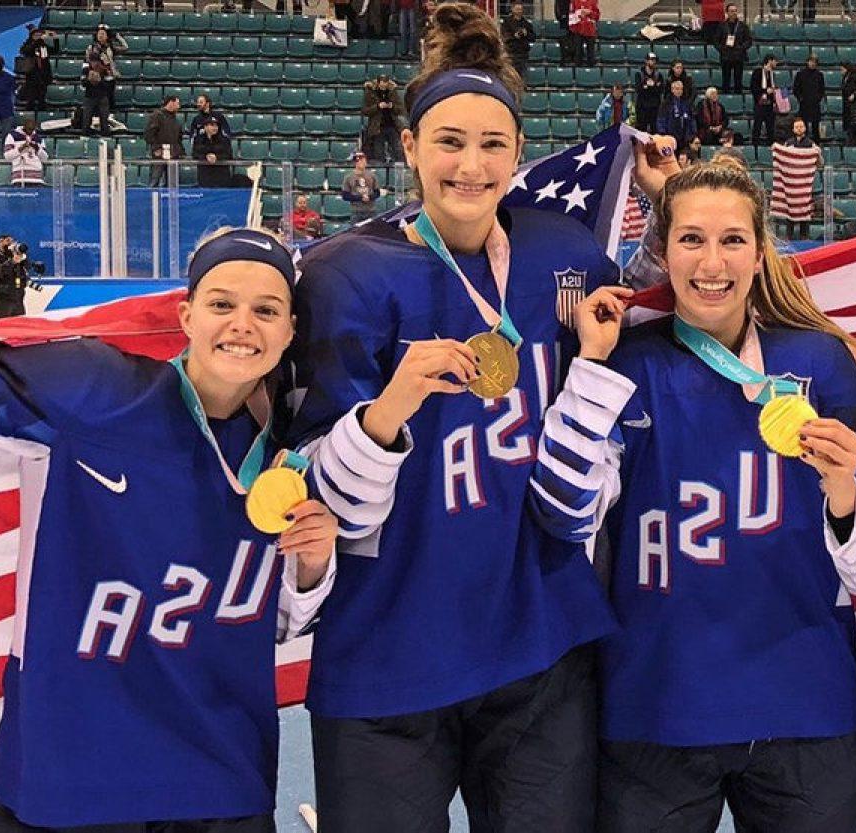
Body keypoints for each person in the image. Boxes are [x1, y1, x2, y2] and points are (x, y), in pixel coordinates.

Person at [0, 228, 408, 831]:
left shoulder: (289, 453)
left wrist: (312, 564)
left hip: (220, 779)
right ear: (187, 316)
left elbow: (273, 625)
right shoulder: (92, 394)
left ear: (291, 329)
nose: (243, 325)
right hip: (71, 777)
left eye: (267, 311)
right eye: (222, 303)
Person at [283, 5, 678, 829]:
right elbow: (324, 493)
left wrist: (667, 209)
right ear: (411, 149)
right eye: (450, 142)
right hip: (389, 655)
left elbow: (638, 312)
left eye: (493, 144)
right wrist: (390, 410)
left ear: (517, 154)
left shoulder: (557, 250)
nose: (471, 164)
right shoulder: (342, 274)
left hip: (539, 644)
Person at [535, 153, 856, 833]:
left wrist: (845, 491)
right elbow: (564, 510)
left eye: (733, 239)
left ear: (760, 254)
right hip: (657, 706)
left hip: (804, 704)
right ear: (663, 251)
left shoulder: (818, 363)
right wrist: (587, 365)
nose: (712, 261)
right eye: (692, 239)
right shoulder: (627, 363)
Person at [362, 75, 404, 164]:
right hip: (377, 128)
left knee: (398, 151)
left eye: (385, 82)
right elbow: (365, 110)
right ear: (378, 82)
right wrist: (378, 106)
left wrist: (392, 106)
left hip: (392, 126)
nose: (384, 84)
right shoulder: (371, 93)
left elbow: (401, 109)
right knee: (379, 153)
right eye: (382, 82)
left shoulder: (392, 92)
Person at [144, 96, 184, 187]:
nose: (179, 106)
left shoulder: (176, 120)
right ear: (171, 102)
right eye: (177, 103)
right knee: (155, 179)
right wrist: (156, 148)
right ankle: (152, 198)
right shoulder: (157, 116)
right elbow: (149, 134)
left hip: (173, 154)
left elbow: (179, 138)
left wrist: (180, 150)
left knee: (172, 182)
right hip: (159, 154)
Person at [17, 26, 57, 109]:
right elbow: (26, 51)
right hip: (32, 76)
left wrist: (55, 39)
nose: (38, 36)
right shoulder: (28, 45)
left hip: (43, 75)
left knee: (41, 99)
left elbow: (54, 51)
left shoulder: (43, 46)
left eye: (39, 34)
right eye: (36, 35)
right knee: (31, 99)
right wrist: (36, 42)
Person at [717, 4, 752, 95]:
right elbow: (716, 41)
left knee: (738, 80)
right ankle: (726, 98)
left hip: (739, 56)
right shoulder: (722, 25)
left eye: (735, 10)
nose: (734, 13)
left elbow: (749, 41)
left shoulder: (743, 26)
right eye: (731, 11)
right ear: (727, 13)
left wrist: (741, 48)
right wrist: (722, 49)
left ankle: (738, 98)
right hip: (726, 56)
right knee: (726, 80)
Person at [793, 54, 827, 143]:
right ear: (807, 62)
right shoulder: (800, 74)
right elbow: (796, 89)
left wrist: (818, 99)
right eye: (811, 61)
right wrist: (801, 99)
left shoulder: (819, 75)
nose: (812, 64)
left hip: (815, 105)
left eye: (815, 62)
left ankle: (816, 146)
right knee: (804, 127)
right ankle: (804, 144)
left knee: (816, 127)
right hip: (804, 104)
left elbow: (822, 90)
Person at [656, 78, 697, 152]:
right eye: (677, 89)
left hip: (684, 138)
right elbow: (661, 120)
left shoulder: (686, 103)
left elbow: (691, 119)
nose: (679, 91)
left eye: (681, 89)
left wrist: (693, 134)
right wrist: (663, 134)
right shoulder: (666, 104)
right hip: (670, 138)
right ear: (672, 90)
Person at [5, 119, 49, 187]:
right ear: (24, 127)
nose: (30, 131)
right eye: (29, 129)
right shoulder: (12, 135)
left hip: (37, 179)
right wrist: (21, 148)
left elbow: (45, 158)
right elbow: (7, 157)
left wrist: (37, 148)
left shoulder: (38, 138)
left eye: (32, 129)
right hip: (19, 177)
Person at [193, 121, 236, 188]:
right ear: (205, 127)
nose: (215, 128)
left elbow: (229, 155)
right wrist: (206, 157)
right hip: (205, 176)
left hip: (221, 176)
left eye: (216, 126)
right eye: (212, 125)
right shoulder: (198, 139)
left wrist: (217, 157)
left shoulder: (225, 140)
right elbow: (195, 154)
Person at [341, 153, 382, 221]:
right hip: (356, 211)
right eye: (360, 161)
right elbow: (345, 196)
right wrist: (360, 198)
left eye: (364, 161)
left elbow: (377, 193)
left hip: (371, 210)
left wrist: (370, 197)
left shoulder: (372, 176)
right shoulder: (348, 177)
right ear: (356, 163)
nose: (363, 163)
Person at [751, 54, 780, 145]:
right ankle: (755, 146)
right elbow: (753, 88)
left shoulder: (772, 74)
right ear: (770, 61)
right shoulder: (757, 72)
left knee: (770, 128)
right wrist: (765, 91)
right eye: (775, 61)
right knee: (757, 127)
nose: (776, 63)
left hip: (770, 105)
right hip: (759, 104)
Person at [633, 53, 666, 133]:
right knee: (641, 130)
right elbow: (638, 89)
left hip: (655, 107)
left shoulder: (659, 75)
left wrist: (649, 86)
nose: (653, 62)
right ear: (646, 61)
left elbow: (661, 90)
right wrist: (654, 86)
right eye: (651, 60)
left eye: (654, 60)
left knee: (655, 130)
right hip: (642, 107)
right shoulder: (639, 74)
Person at [502, 4, 538, 76]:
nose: (519, 11)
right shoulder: (507, 22)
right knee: (511, 76)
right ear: (512, 9)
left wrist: (526, 34)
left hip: (523, 53)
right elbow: (504, 36)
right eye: (517, 9)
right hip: (511, 52)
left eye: (520, 9)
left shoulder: (526, 23)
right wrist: (514, 36)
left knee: (522, 75)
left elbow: (533, 38)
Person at [568, 0, 599, 66]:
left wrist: (590, 12)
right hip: (578, 30)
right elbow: (571, 14)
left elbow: (597, 16)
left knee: (591, 53)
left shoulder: (593, 1)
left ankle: (591, 69)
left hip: (590, 30)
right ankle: (578, 70)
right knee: (578, 52)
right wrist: (578, 15)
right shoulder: (574, 1)